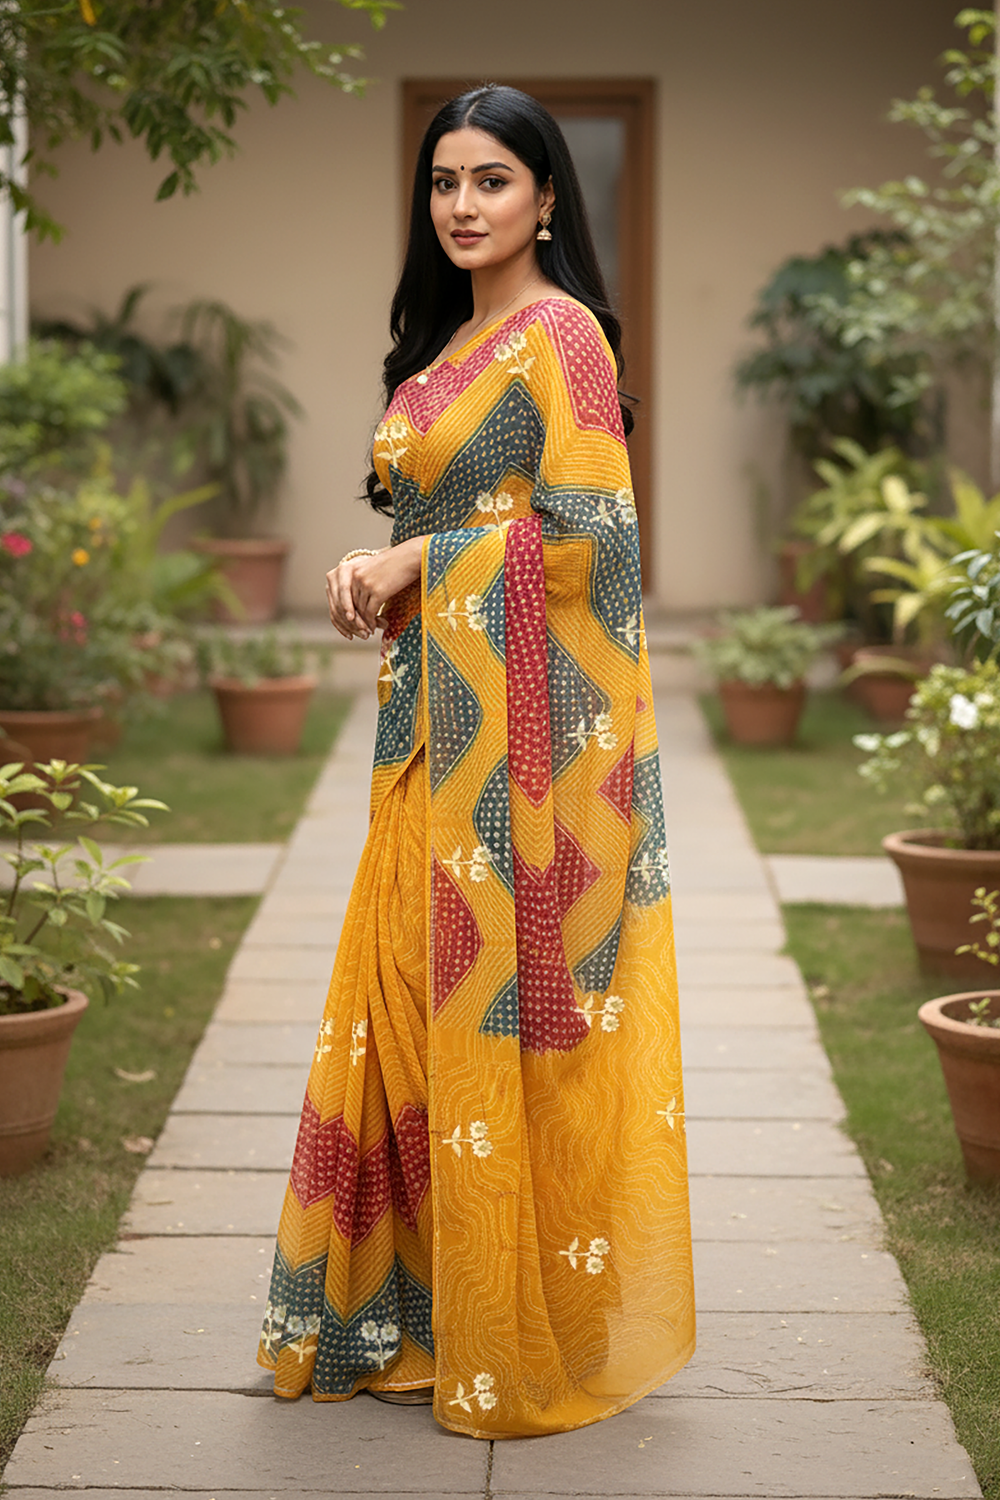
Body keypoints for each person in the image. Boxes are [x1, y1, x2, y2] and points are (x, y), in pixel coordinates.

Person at [257, 82, 695, 1440]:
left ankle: (516, 1320)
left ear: (547, 199)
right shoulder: (448, 343)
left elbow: (595, 542)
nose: (463, 204)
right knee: (402, 1004)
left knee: (499, 1018)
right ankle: (421, 1309)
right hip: (427, 727)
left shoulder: (563, 337)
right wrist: (379, 567)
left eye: (492, 180)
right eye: (444, 181)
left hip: (520, 754)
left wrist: (419, 562)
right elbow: (447, 512)